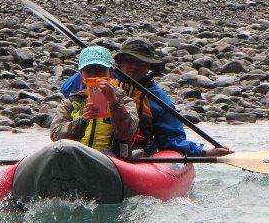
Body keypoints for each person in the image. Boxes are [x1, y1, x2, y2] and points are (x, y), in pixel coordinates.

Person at [60, 38, 233, 157]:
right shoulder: (95, 80)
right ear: (119, 62)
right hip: (87, 150)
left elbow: (172, 138)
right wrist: (94, 69)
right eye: (130, 61)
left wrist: (203, 152)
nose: (135, 67)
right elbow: (66, 89)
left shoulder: (156, 98)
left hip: (133, 153)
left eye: (141, 63)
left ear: (149, 66)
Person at [50, 46, 138, 157]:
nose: (94, 75)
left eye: (100, 69)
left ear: (110, 73)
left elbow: (127, 132)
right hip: (77, 158)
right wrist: (82, 121)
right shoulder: (70, 103)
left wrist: (114, 103)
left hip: (112, 161)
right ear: (81, 75)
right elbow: (56, 136)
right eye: (88, 70)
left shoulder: (125, 101)